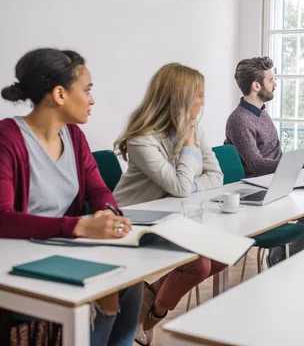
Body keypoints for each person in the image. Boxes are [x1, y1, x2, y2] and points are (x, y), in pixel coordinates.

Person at [0, 48, 141, 346]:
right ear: (60, 94)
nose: (92, 99)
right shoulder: (8, 139)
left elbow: (99, 189)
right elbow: (3, 218)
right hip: (20, 260)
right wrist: (78, 227)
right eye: (87, 91)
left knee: (133, 281)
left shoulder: (74, 136)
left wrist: (106, 212)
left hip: (65, 250)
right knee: (112, 286)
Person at [113, 63, 226, 346]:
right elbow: (178, 187)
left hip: (171, 215)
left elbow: (217, 175)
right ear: (180, 98)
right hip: (133, 220)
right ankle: (153, 316)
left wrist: (190, 185)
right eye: (198, 95)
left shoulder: (193, 127)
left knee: (223, 254)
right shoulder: (143, 138)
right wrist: (189, 146)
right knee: (199, 265)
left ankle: (146, 304)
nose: (203, 102)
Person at [225, 56, 304, 266]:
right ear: (256, 86)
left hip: (279, 182)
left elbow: (274, 156)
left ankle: (283, 252)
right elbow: (256, 164)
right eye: (271, 80)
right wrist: (301, 162)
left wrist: (299, 163)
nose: (275, 84)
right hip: (259, 188)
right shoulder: (239, 120)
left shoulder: (261, 114)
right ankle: (281, 255)